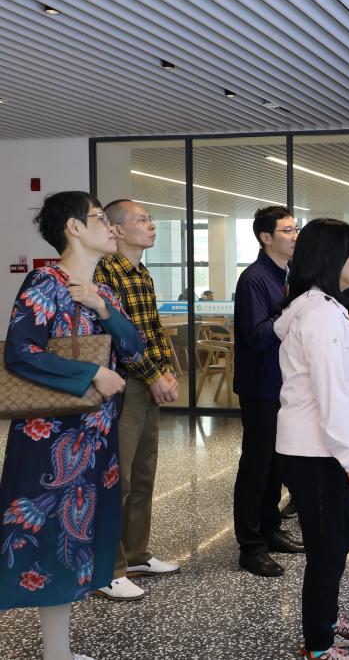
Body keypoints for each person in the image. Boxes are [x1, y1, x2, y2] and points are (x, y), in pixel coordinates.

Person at [0, 191, 145, 660]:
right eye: (101, 218)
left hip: (95, 438)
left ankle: (57, 651)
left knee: (73, 543)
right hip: (51, 442)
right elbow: (20, 352)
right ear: (74, 228)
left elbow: (135, 347)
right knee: (45, 541)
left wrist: (102, 309)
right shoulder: (44, 282)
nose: (111, 228)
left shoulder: (103, 291)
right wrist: (92, 373)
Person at [275, 218, 349, 659]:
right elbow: (332, 393)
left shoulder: (326, 308)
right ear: (333, 258)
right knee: (327, 549)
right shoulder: (320, 315)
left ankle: (328, 619)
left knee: (342, 535)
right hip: (314, 450)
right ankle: (318, 644)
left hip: (321, 447)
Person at [92, 200, 181, 601]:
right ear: (116, 229)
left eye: (150, 219)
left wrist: (166, 371)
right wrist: (152, 375)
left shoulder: (141, 272)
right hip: (123, 385)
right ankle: (109, 569)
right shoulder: (105, 272)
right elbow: (119, 336)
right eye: (142, 219)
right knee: (120, 480)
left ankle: (137, 555)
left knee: (144, 475)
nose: (151, 225)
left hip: (147, 381)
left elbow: (152, 329)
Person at [232, 206, 304, 578]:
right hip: (261, 386)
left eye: (296, 228)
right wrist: (293, 313)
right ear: (266, 237)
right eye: (287, 230)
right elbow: (258, 335)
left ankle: (270, 528)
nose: (295, 236)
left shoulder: (290, 274)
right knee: (256, 466)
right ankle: (251, 546)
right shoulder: (254, 279)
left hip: (286, 384)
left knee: (277, 464)